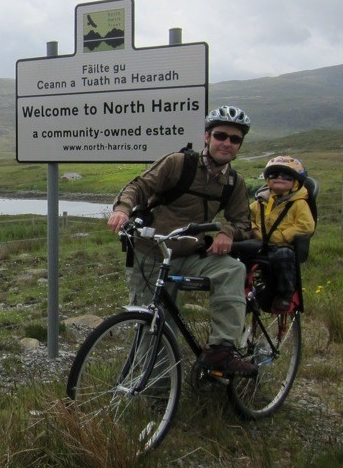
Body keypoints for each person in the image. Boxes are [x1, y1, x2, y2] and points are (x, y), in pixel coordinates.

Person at [106, 105, 257, 376]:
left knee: (232, 269)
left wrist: (227, 233)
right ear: (207, 137)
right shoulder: (179, 163)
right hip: (152, 252)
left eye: (235, 139)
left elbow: (243, 223)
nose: (227, 143)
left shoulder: (234, 182)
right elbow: (139, 186)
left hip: (190, 255)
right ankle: (159, 396)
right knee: (155, 325)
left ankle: (221, 351)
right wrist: (122, 209)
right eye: (221, 135)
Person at [250, 155, 316, 312]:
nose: (280, 178)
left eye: (287, 175)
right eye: (274, 175)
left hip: (284, 246)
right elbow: (246, 219)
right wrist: (253, 230)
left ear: (296, 182)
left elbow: (306, 226)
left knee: (283, 256)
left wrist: (283, 235)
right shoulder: (258, 203)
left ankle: (285, 294)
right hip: (259, 245)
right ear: (267, 180)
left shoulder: (299, 204)